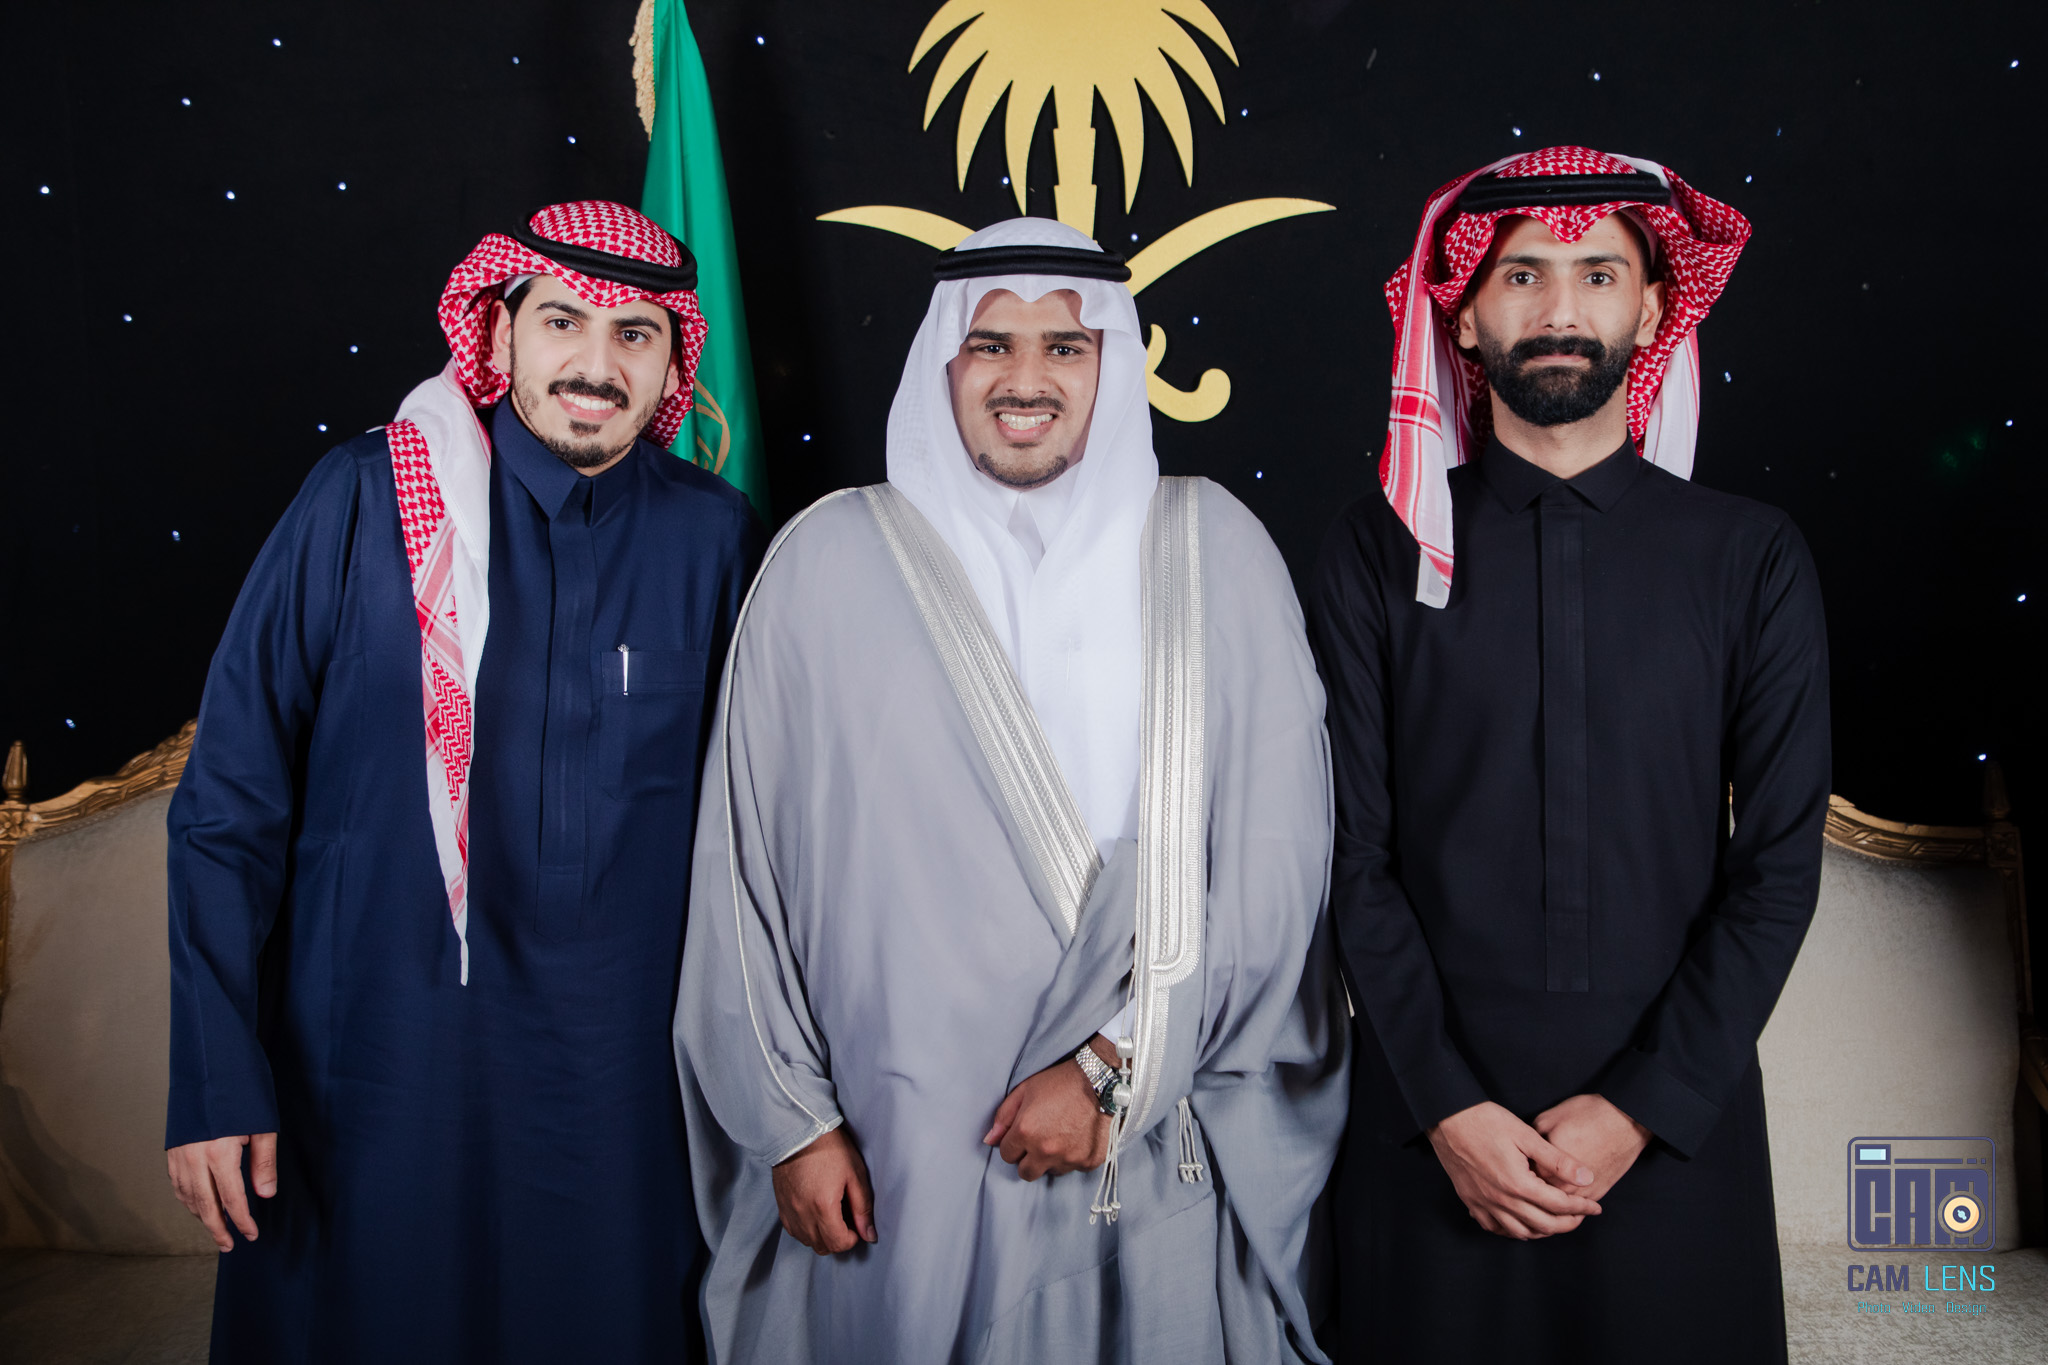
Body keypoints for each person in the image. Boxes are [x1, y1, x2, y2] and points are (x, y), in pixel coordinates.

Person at [673, 217, 1348, 1363]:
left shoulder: (1212, 549)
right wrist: (788, 1122)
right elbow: (742, 875)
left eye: (1063, 347)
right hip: (889, 1152)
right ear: (942, 362)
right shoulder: (821, 563)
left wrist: (1110, 1073)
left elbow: (1277, 867)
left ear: (1112, 365)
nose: (1025, 379)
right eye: (990, 345)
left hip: (1138, 1130)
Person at [164, 201, 760, 1363]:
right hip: (373, 1077)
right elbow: (229, 805)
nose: (596, 364)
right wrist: (214, 1077)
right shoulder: (363, 499)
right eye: (562, 322)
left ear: (671, 363)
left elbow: (763, 838)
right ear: (496, 334)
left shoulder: (714, 538)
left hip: (618, 1104)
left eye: (634, 334)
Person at [1310, 147, 1829, 1362]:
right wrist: (1446, 1107)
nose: (1557, 309)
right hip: (1428, 1131)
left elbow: (1775, 869)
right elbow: (1347, 855)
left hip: (1672, 1132)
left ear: (1649, 310)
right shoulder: (1374, 551)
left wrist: (1639, 1110)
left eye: (1597, 275)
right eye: (1520, 275)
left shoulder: (1747, 557)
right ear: (1461, 313)